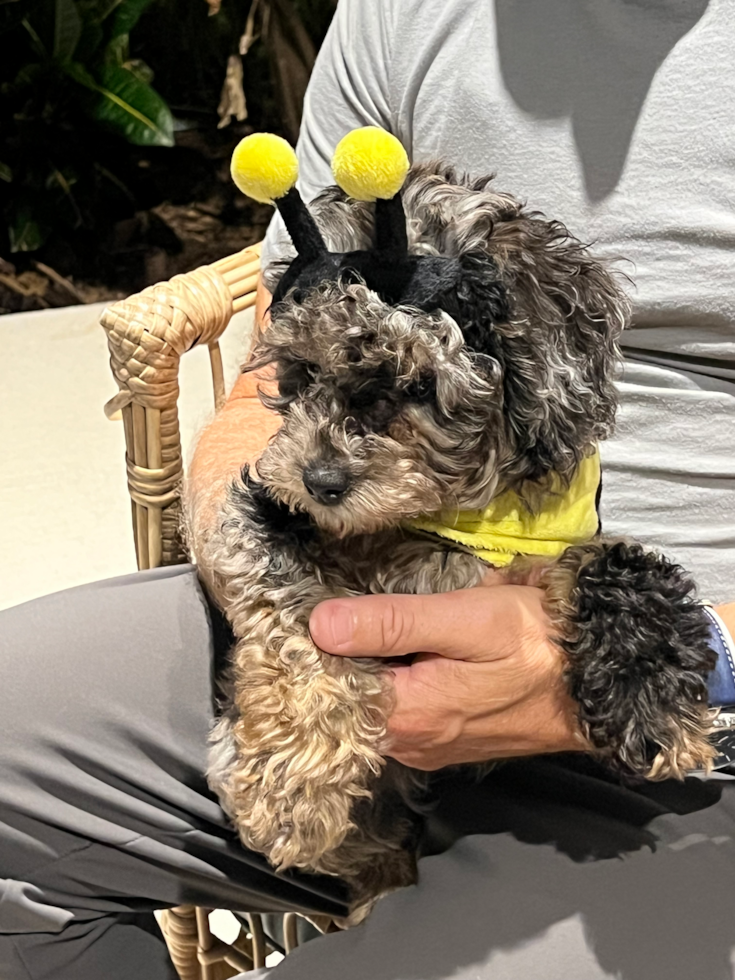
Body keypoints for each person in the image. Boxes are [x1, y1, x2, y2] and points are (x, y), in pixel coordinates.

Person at [2, 2, 735, 978]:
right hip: (344, 598)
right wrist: (285, 607)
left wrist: (693, 655)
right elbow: (272, 377)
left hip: (672, 710)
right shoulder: (404, 11)